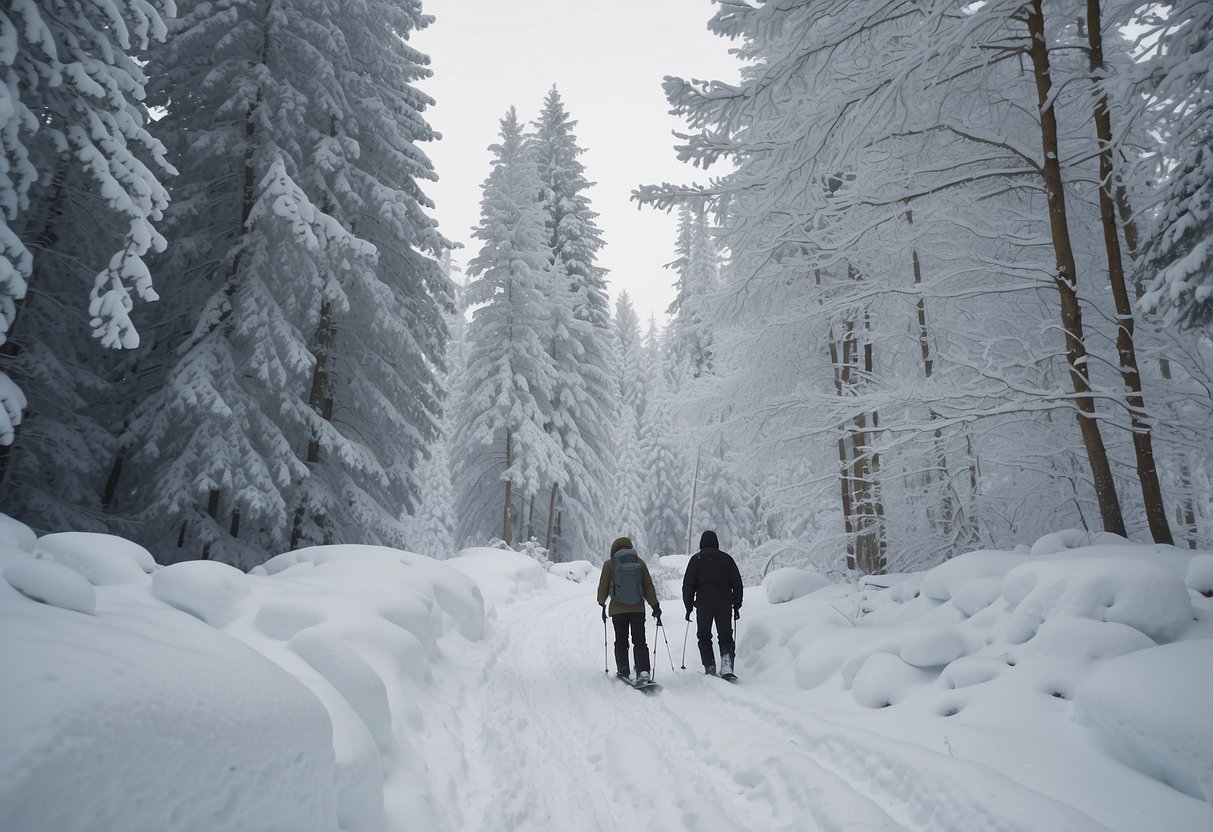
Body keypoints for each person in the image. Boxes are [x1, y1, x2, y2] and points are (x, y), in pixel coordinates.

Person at [597, 536, 662, 681]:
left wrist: (601, 602)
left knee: (621, 640)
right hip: (637, 608)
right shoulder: (639, 563)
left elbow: (603, 586)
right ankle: (643, 671)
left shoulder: (609, 564)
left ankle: (623, 670)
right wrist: (655, 605)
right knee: (639, 640)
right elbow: (648, 586)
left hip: (617, 610)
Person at [682, 530, 743, 677]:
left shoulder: (696, 559)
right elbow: (737, 583)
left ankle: (709, 666)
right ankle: (727, 667)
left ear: (701, 543)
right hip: (724, 601)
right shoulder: (727, 559)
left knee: (704, 636)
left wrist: (688, 606)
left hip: (704, 602)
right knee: (726, 636)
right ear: (716, 543)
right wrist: (737, 603)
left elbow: (688, 585)